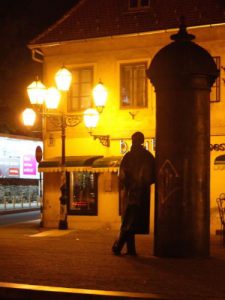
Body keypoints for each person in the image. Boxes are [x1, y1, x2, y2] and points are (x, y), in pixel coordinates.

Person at [112, 131, 155, 256]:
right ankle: (130, 249)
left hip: (131, 192)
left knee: (128, 222)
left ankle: (119, 247)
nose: (134, 142)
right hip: (142, 193)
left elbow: (122, 175)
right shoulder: (148, 156)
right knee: (132, 222)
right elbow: (152, 176)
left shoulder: (128, 156)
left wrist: (127, 185)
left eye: (135, 140)